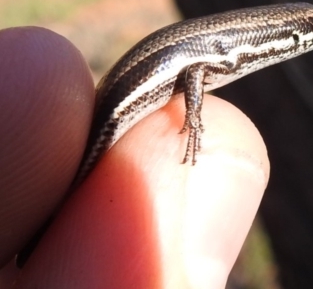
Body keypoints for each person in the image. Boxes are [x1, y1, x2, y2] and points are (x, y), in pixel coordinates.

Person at [0, 27, 268, 288]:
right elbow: (196, 70)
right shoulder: (229, 52)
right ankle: (29, 250)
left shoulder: (233, 45)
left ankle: (29, 250)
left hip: (117, 107)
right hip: (113, 110)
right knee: (67, 191)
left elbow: (197, 69)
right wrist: (194, 121)